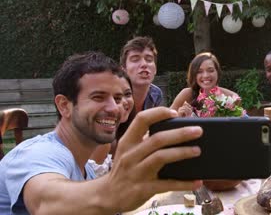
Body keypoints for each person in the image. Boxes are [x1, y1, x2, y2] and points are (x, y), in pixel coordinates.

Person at [0, 52, 203, 214]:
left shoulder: (86, 168)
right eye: (98, 97)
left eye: (118, 98)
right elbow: (46, 203)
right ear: (64, 106)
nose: (115, 108)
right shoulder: (38, 153)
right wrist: (112, 190)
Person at [117, 36, 162, 139]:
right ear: (123, 69)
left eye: (149, 59)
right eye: (135, 60)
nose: (144, 64)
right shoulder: (114, 98)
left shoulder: (156, 94)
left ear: (155, 69)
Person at [88, 73, 134, 175]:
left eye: (127, 94)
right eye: (116, 97)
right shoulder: (101, 139)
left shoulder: (126, 130)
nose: (124, 102)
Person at [170, 52, 239, 117]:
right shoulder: (186, 94)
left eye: (210, 70)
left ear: (217, 72)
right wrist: (179, 117)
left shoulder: (231, 97)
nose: (205, 75)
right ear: (194, 75)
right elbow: (166, 121)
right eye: (199, 72)